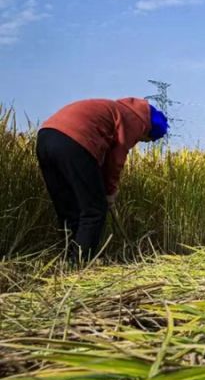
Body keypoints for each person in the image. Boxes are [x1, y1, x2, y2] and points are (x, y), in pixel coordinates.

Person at [36, 98, 169, 262]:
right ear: (148, 130)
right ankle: (79, 265)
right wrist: (110, 192)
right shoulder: (136, 121)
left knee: (69, 208)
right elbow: (115, 160)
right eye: (144, 140)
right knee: (95, 210)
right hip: (75, 141)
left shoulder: (117, 109)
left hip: (46, 137)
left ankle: (67, 261)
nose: (139, 141)